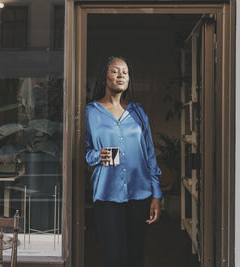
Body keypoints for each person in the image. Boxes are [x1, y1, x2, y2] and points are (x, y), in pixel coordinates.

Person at [85, 56, 162, 267]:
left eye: (125, 72)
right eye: (115, 71)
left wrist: (156, 193)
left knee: (136, 256)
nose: (121, 75)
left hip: (140, 194)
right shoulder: (90, 113)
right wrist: (96, 156)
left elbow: (150, 155)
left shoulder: (138, 113)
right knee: (114, 258)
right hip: (107, 196)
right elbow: (82, 150)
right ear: (104, 76)